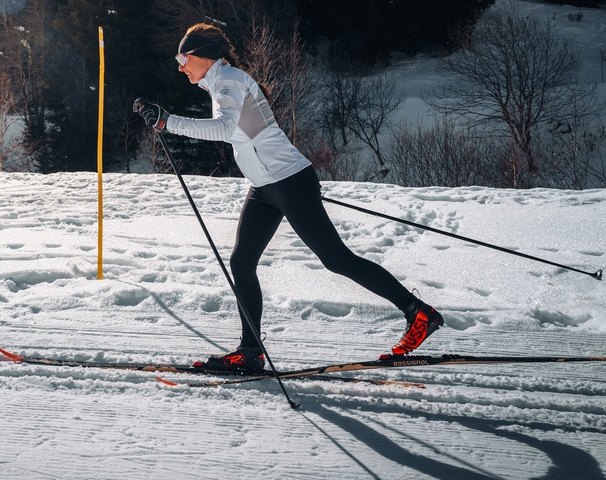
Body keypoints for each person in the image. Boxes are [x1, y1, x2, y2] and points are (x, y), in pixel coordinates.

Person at [134, 23, 443, 372]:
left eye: (183, 58)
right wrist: (164, 121)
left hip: (290, 182)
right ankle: (250, 351)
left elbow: (225, 128)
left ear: (203, 54)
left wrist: (168, 122)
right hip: (265, 187)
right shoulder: (221, 82)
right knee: (241, 262)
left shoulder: (230, 80)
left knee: (337, 259)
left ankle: (418, 313)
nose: (180, 67)